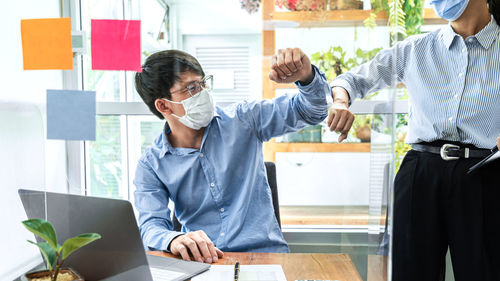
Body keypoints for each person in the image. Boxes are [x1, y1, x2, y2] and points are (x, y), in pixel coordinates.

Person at [326, 0, 500, 280]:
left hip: (484, 174)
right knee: (411, 274)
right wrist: (340, 102)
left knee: (486, 271)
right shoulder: (416, 49)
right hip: (420, 172)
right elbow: (350, 80)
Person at [133, 48, 331, 263]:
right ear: (163, 105)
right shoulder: (151, 164)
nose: (202, 93)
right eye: (190, 88)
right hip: (205, 263)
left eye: (203, 83)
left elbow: (313, 111)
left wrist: (307, 77)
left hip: (265, 257)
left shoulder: (244, 119)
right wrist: (173, 240)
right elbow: (151, 226)